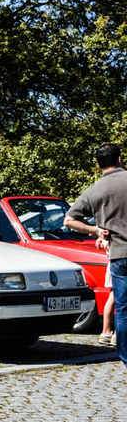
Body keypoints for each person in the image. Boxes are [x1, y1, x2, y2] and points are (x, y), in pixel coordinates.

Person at [64, 143, 127, 367]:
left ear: (98, 164)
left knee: (123, 308)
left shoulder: (94, 190)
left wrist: (96, 230)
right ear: (120, 159)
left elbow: (69, 220)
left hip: (119, 255)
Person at [96, 234, 115, 346]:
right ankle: (115, 334)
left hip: (112, 264)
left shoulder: (105, 234)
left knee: (112, 298)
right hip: (117, 263)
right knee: (119, 299)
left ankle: (106, 332)